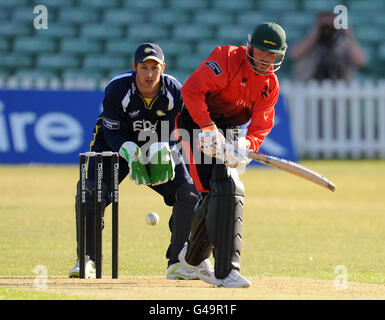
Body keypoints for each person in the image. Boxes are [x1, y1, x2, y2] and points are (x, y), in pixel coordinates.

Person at [69, 43, 209, 280]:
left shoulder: (174, 90)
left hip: (157, 148)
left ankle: (179, 261)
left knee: (189, 192)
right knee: (90, 190)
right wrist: (127, 149)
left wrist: (163, 146)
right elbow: (111, 131)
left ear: (163, 68)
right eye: (144, 67)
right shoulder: (118, 88)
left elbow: (179, 128)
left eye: (155, 68)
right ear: (134, 67)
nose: (149, 74)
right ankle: (87, 259)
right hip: (115, 147)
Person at [174, 22, 287, 288]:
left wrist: (248, 145)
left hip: (229, 129)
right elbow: (191, 91)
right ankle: (197, 258)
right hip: (195, 123)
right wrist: (208, 127)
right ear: (250, 46)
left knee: (226, 187)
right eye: (261, 52)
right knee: (211, 191)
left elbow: (262, 124)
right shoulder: (226, 58)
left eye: (273, 55)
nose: (265, 60)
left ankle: (213, 265)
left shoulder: (270, 84)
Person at [290, 11, 366, 82]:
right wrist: (313, 36)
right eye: (324, 26)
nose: (327, 29)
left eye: (330, 26)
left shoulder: (343, 43)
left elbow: (360, 61)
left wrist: (348, 36)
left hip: (341, 87)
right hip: (310, 85)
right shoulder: (309, 42)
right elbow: (294, 55)